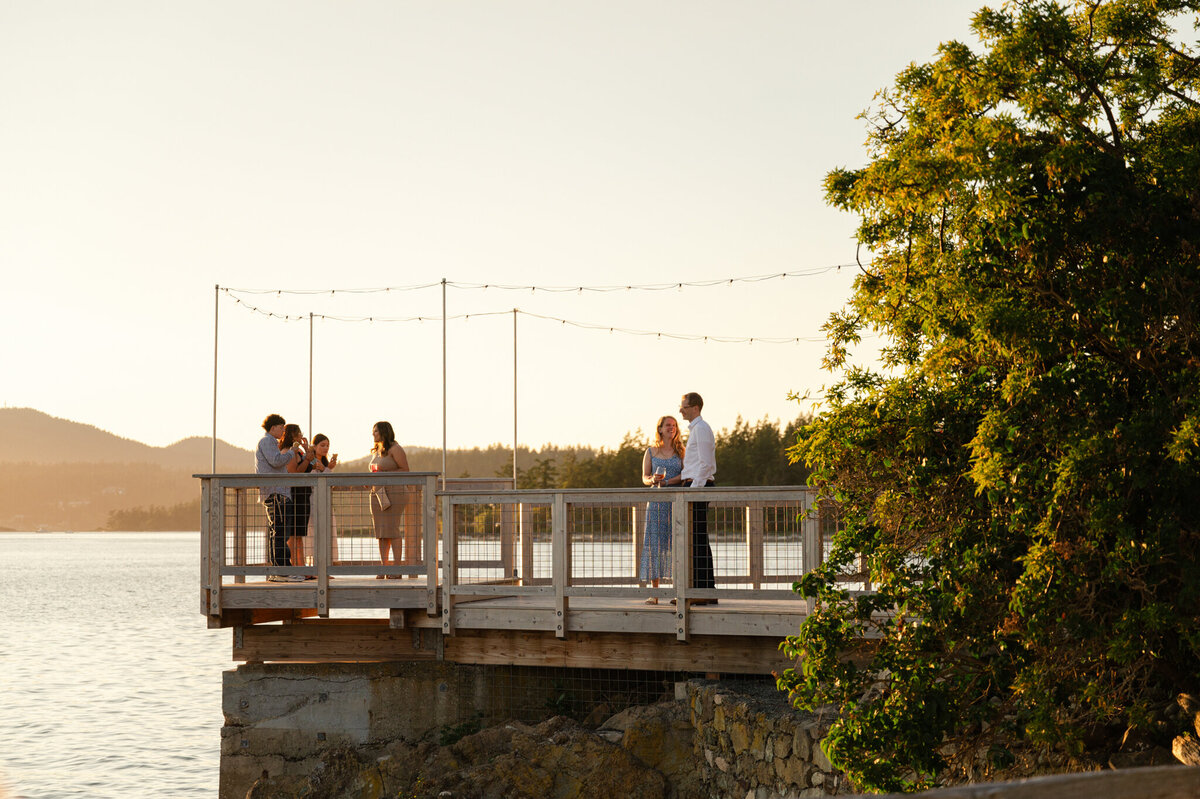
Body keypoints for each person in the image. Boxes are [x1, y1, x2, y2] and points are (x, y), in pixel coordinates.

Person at [255, 413, 307, 583]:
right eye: (281, 427)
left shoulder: (269, 442)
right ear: (274, 427)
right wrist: (292, 452)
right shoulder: (267, 441)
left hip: (277, 492)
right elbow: (276, 461)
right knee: (280, 533)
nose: (283, 430)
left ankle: (280, 570)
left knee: (278, 532)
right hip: (276, 493)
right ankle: (282, 571)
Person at [640, 415, 685, 604]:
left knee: (676, 545)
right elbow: (644, 477)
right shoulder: (651, 451)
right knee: (655, 545)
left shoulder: (681, 451)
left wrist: (667, 481)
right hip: (656, 502)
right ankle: (655, 593)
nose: (671, 428)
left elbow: (685, 474)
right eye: (668, 425)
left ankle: (678, 592)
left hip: (676, 501)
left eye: (674, 425)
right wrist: (653, 480)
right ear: (660, 429)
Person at [678, 392, 717, 605]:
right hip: (695, 487)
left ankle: (702, 593)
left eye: (683, 406)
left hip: (698, 488)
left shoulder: (701, 429)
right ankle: (703, 591)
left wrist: (693, 491)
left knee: (698, 540)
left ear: (695, 407)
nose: (680, 409)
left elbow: (706, 464)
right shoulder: (696, 429)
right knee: (696, 540)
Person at [369, 421, 415, 577]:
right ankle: (384, 567)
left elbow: (405, 470)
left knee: (392, 529)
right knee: (381, 531)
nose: (373, 434)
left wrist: (385, 474)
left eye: (376, 431)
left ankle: (396, 568)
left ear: (384, 432)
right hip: (378, 492)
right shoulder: (377, 450)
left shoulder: (396, 449)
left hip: (395, 492)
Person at [281, 424, 319, 576]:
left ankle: (301, 566)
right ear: (291, 435)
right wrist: (306, 460)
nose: (300, 436)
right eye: (298, 434)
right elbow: (294, 472)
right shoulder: (287, 452)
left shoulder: (299, 451)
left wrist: (308, 453)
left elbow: (313, 464)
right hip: (294, 495)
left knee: (299, 534)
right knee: (293, 534)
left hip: (303, 494)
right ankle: (296, 567)